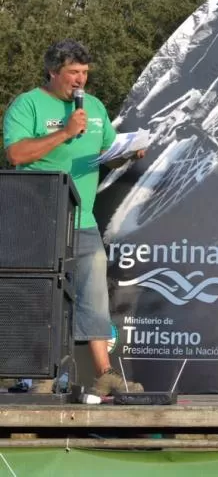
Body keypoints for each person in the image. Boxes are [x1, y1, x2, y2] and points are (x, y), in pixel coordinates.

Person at [3, 40, 146, 396]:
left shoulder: (94, 107)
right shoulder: (28, 104)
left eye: (84, 73)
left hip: (81, 220)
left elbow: (105, 152)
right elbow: (17, 154)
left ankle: (105, 373)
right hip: (36, 218)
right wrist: (65, 133)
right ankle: (36, 375)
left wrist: (126, 153)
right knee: (39, 294)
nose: (80, 80)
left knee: (94, 291)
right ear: (53, 72)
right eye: (73, 73)